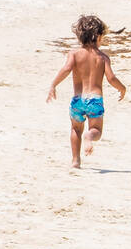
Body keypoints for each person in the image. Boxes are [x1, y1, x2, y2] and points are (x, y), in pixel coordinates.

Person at [46, 15, 126, 168]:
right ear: (98, 36)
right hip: (95, 100)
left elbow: (66, 69)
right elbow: (111, 78)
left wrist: (53, 85)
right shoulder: (103, 58)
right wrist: (122, 88)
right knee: (96, 130)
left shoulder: (74, 54)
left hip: (78, 100)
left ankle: (75, 160)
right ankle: (89, 137)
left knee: (75, 129)